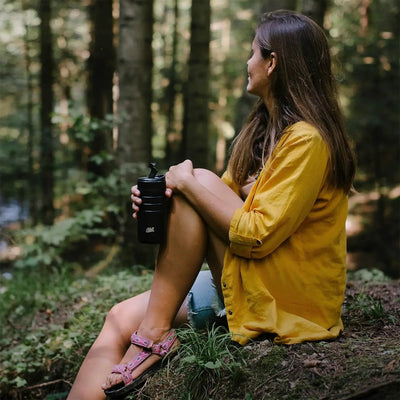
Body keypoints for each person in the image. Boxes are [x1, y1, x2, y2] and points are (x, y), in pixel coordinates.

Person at [67, 10, 356, 400]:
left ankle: (154, 335)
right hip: (250, 277)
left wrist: (187, 182)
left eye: (253, 52)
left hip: (286, 298)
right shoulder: (262, 132)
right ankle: (142, 340)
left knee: (196, 180)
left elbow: (255, 236)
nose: (246, 62)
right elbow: (217, 209)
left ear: (272, 63)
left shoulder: (307, 141)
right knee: (118, 316)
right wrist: (165, 204)